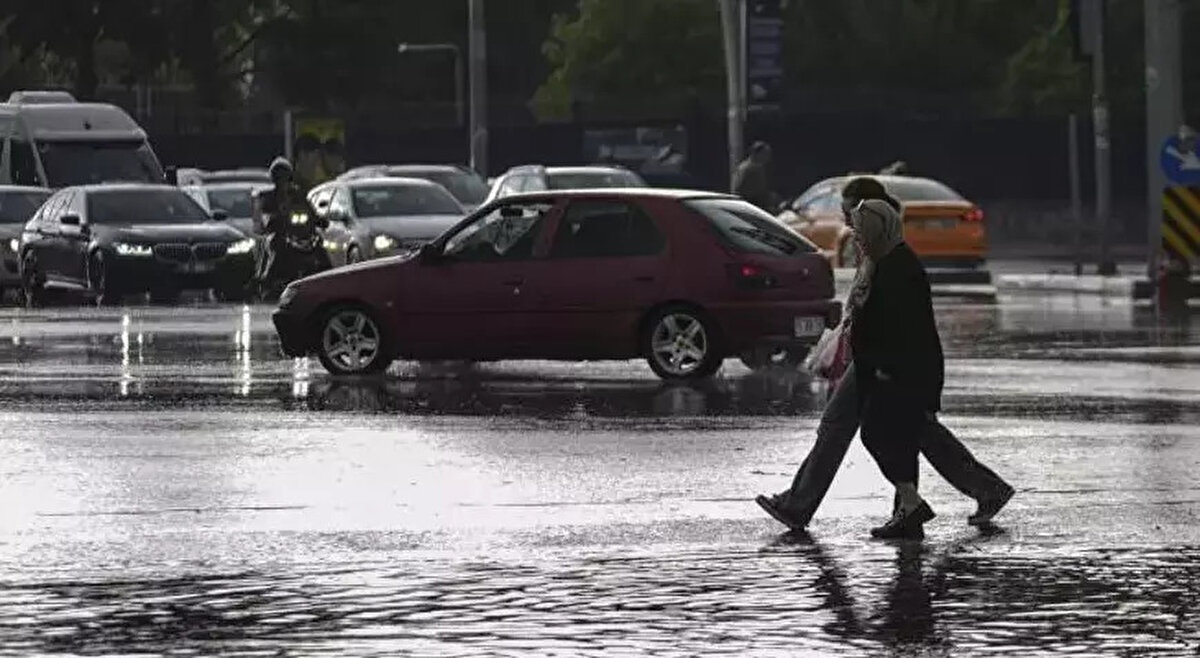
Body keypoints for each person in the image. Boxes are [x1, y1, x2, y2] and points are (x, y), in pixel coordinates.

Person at [756, 177, 1013, 535]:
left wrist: (879, 365)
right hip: (879, 359)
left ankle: (807, 506)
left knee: (863, 428)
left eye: (851, 214)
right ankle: (956, 497)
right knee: (911, 430)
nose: (847, 224)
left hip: (887, 362)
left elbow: (895, 323)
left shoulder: (894, 260)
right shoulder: (877, 250)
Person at [850, 197, 941, 538]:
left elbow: (908, 328)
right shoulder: (879, 261)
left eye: (861, 230)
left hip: (899, 373)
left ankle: (911, 503)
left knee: (879, 434)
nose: (857, 237)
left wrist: (886, 368)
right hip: (884, 371)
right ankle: (908, 510)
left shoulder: (899, 267)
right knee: (899, 440)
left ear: (877, 229)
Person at [732, 141, 779, 212]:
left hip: (760, 205)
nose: (767, 157)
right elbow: (738, 188)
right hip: (749, 206)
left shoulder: (759, 168)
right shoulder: (746, 168)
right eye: (765, 154)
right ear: (756, 154)